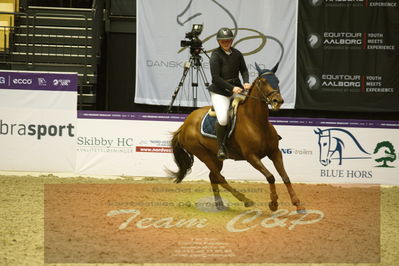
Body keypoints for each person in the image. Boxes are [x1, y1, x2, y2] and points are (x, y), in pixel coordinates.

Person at [208, 27, 251, 160]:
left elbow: (244, 70)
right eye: (223, 41)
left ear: (232, 40)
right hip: (220, 92)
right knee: (223, 119)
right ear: (218, 42)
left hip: (238, 88)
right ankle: (221, 147)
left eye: (228, 40)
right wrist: (232, 88)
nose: (225, 42)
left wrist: (246, 82)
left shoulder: (237, 54)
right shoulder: (215, 56)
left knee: (254, 106)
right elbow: (216, 78)